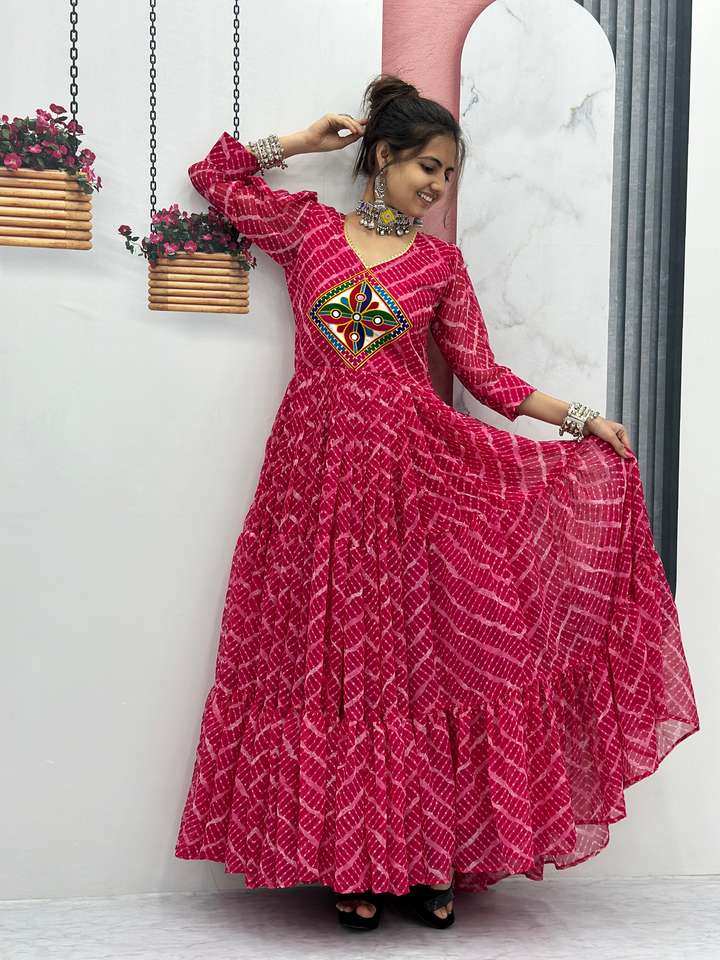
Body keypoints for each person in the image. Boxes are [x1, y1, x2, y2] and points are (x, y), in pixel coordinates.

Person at [174, 74, 700, 932]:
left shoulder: (438, 266)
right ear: (383, 157)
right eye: (428, 166)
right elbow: (216, 177)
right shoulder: (309, 231)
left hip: (412, 483)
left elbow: (485, 376)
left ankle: (427, 856)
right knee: (329, 667)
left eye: (450, 175)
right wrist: (303, 143)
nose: (438, 187)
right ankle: (353, 860)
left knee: (422, 666)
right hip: (311, 482)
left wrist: (582, 418)